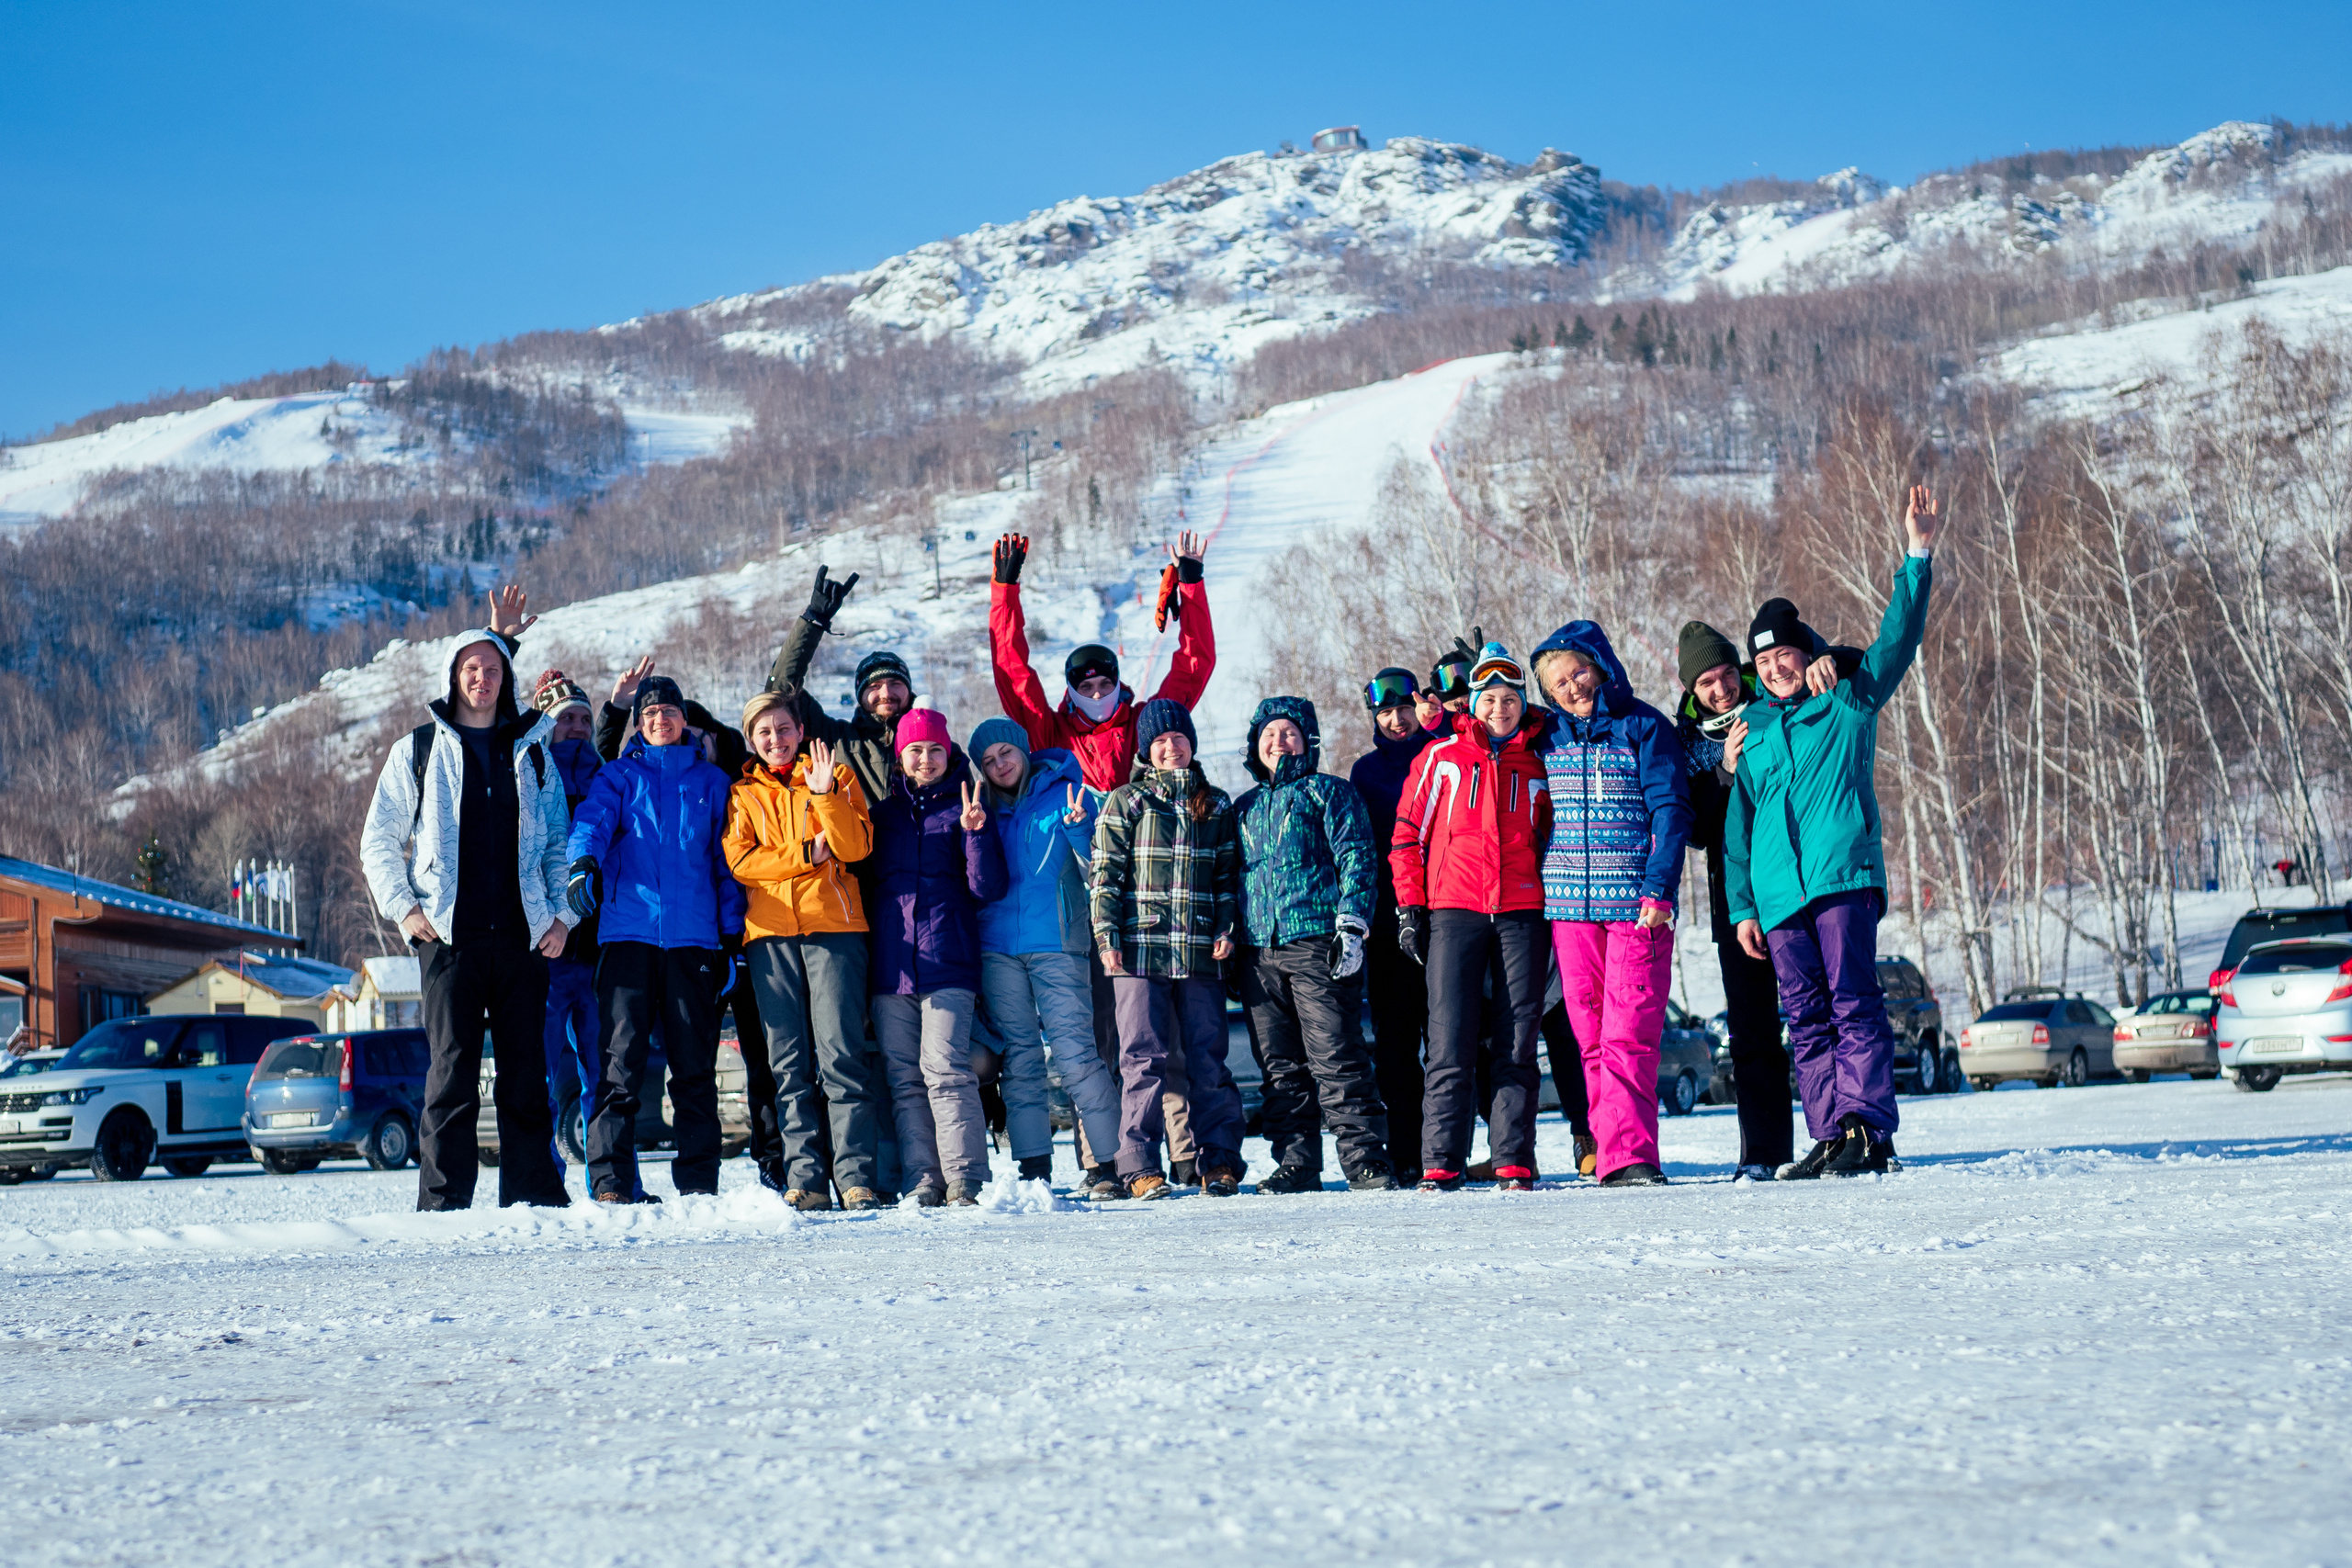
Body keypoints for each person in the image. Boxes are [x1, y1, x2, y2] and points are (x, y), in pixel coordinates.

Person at [1728, 484, 1942, 1179]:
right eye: (1762, 664)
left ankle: (1869, 1127)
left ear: (1802, 650)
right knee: (1806, 1015)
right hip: (1780, 896)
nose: (1775, 668)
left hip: (1840, 878)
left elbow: (1894, 643)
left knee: (1854, 1001)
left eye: (1783, 654)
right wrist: (1742, 908)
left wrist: (1917, 554)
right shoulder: (1752, 733)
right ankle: (1829, 1131)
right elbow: (1741, 827)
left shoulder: (1846, 701)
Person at [359, 618, 572, 1211]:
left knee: (526, 1074)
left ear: (507, 679)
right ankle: (443, 1201)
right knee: (451, 1074)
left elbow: (558, 841)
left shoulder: (533, 750)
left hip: (524, 938)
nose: (481, 678)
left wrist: (559, 918)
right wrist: (404, 909)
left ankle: (533, 1197)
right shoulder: (419, 749)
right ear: (454, 677)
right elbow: (380, 837)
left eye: (493, 669)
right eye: (470, 669)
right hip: (449, 938)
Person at [1676, 620, 1851, 1179]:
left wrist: (1832, 660)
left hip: (1802, 888)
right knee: (1752, 1031)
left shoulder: (1775, 704)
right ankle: (1764, 1152)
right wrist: (1726, 772)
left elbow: (1851, 664)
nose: (1721, 688)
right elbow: (1697, 829)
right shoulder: (1686, 742)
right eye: (1706, 682)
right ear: (1691, 690)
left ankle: (1850, 1134)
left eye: (1728, 674)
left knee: (1825, 1012)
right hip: (1739, 901)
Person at [564, 674, 747, 1203]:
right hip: (629, 939)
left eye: (668, 712)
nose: (660, 721)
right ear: (639, 725)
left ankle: (697, 1185)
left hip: (695, 944)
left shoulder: (712, 783)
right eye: (649, 715)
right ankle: (611, 1184)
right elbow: (592, 822)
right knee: (619, 1066)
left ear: (683, 719)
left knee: (694, 1071)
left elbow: (726, 865)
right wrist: (582, 862)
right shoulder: (620, 776)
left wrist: (731, 941)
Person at [1528, 621, 1691, 1189]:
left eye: (1579, 672)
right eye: (1558, 682)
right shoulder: (1544, 734)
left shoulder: (1642, 726)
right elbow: (1484, 726)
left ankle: (1632, 1155)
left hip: (1636, 905)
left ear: (1600, 666)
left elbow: (1671, 809)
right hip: (1570, 907)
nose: (1573, 687)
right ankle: (1610, 1150)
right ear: (1546, 692)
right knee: (1590, 1035)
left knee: (1632, 1030)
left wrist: (1660, 889)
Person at [1390, 643, 1552, 1191]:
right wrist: (1410, 906)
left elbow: (1551, 838)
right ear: (1474, 705)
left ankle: (1512, 1158)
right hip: (1454, 909)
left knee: (1516, 1039)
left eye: (1510, 699)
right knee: (1449, 1037)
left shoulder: (1539, 760)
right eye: (1490, 700)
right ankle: (1442, 1159)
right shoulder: (1441, 758)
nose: (1500, 709)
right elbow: (1406, 837)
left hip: (1522, 912)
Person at [725, 690, 888, 1211]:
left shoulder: (836, 777)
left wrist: (823, 797)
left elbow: (854, 848)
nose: (776, 740)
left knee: (842, 1056)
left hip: (835, 930)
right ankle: (808, 1181)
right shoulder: (741, 793)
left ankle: (857, 1178)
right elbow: (741, 862)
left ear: (800, 731)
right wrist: (801, 854)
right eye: (764, 732)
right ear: (752, 739)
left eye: (784, 729)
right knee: (788, 1064)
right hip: (770, 938)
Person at [1089, 698, 1249, 1201]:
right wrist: (1107, 937)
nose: (1170, 747)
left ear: (1191, 744)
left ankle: (1218, 1161)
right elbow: (1105, 878)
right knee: (1142, 1058)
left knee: (1207, 1059)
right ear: (1146, 750)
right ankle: (1138, 1165)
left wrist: (1226, 927)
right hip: (1139, 952)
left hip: (1200, 951)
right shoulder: (1127, 802)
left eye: (1178, 738)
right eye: (1159, 741)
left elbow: (1227, 878)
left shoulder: (1217, 803)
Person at [1234, 696, 1393, 1192]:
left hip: (1316, 942)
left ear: (1307, 742)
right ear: (1255, 745)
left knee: (1336, 1054)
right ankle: (1297, 1161)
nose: (1279, 742)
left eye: (1289, 733)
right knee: (1279, 1065)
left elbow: (1357, 858)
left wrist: (1351, 926)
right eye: (1269, 734)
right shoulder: (1244, 807)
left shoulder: (1330, 793)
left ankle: (1364, 1158)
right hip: (1259, 950)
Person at [969, 716, 1126, 1200]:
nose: (1000, 766)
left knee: (1076, 1054)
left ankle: (1113, 1163)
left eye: (1006, 754)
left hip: (1057, 943)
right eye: (990, 761)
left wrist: (1080, 831)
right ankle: (1033, 1166)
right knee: (1020, 1060)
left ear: (1024, 752)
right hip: (997, 949)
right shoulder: (980, 809)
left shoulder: (1069, 795)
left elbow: (1098, 867)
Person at [869, 707, 1008, 1206]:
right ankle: (924, 1178)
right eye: (915, 751)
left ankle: (967, 1178)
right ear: (900, 758)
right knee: (905, 1079)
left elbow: (988, 887)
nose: (925, 759)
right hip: (890, 968)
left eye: (934, 749)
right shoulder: (881, 817)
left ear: (948, 753)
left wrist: (974, 835)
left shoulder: (969, 809)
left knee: (946, 1069)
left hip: (948, 959)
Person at [987, 531, 1216, 794]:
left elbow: (1193, 666)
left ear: (1118, 684)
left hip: (1147, 833)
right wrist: (1004, 594)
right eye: (1086, 687)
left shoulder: (1147, 724)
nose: (1097, 693)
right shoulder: (1051, 735)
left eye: (1105, 683)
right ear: (1072, 692)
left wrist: (1191, 586)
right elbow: (1013, 676)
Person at [1347, 667, 1442, 1181]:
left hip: (1449, 916)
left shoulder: (1444, 753)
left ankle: (1451, 1150)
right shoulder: (1366, 772)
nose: (1396, 720)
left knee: (1455, 1041)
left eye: (1404, 708)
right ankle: (1407, 1151)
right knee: (1397, 1046)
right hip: (1388, 929)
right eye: (1385, 712)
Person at [531, 671, 606, 1168]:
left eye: (584, 718)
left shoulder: (607, 776)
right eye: (565, 719)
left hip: (599, 953)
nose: (577, 726)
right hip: (544, 953)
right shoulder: (530, 775)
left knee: (605, 1077)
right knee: (536, 1077)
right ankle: (541, 1180)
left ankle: (612, 1180)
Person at [761, 565, 904, 808]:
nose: (886, 693)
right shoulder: (836, 742)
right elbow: (779, 694)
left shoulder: (932, 748)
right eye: (875, 685)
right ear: (860, 695)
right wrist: (814, 621)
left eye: (895, 683)